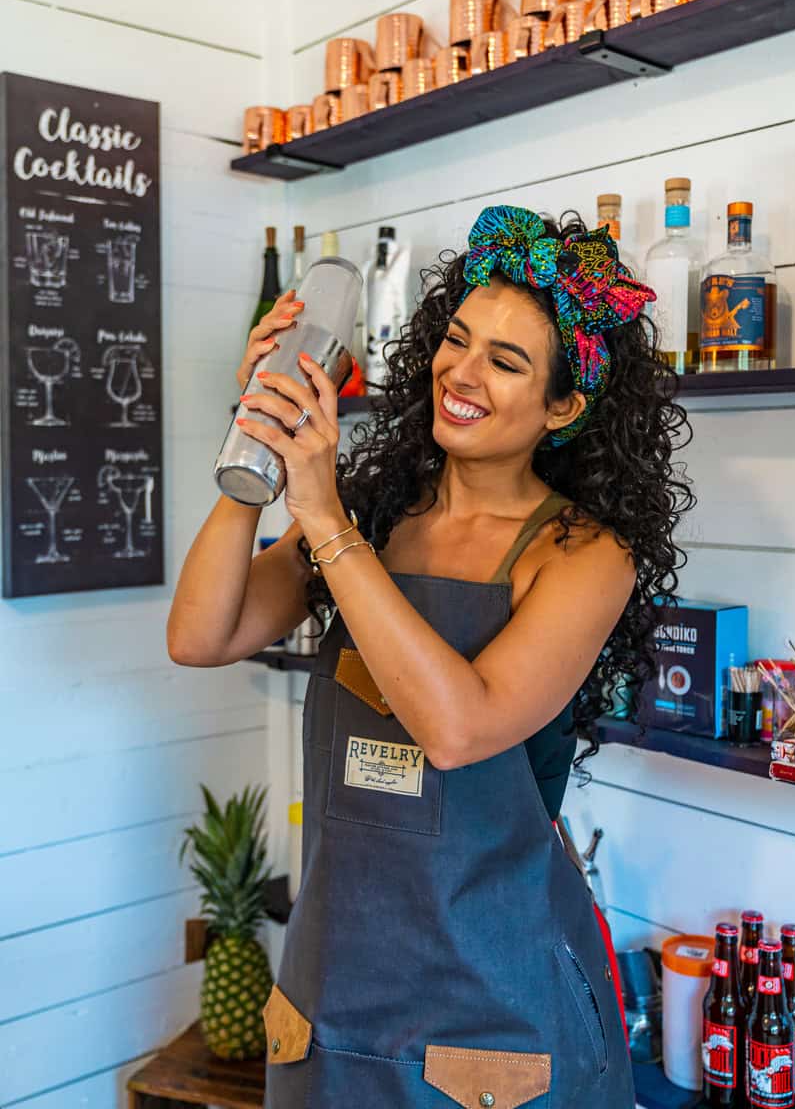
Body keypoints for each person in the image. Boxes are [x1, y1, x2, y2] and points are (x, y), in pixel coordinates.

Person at [168, 205, 693, 1107]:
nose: (463, 372)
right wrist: (254, 446)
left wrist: (326, 518)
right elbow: (202, 635)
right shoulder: (379, 513)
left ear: (563, 406)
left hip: (497, 1012)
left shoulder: (578, 554)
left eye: (507, 360)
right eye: (458, 339)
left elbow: (458, 727)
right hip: (334, 991)